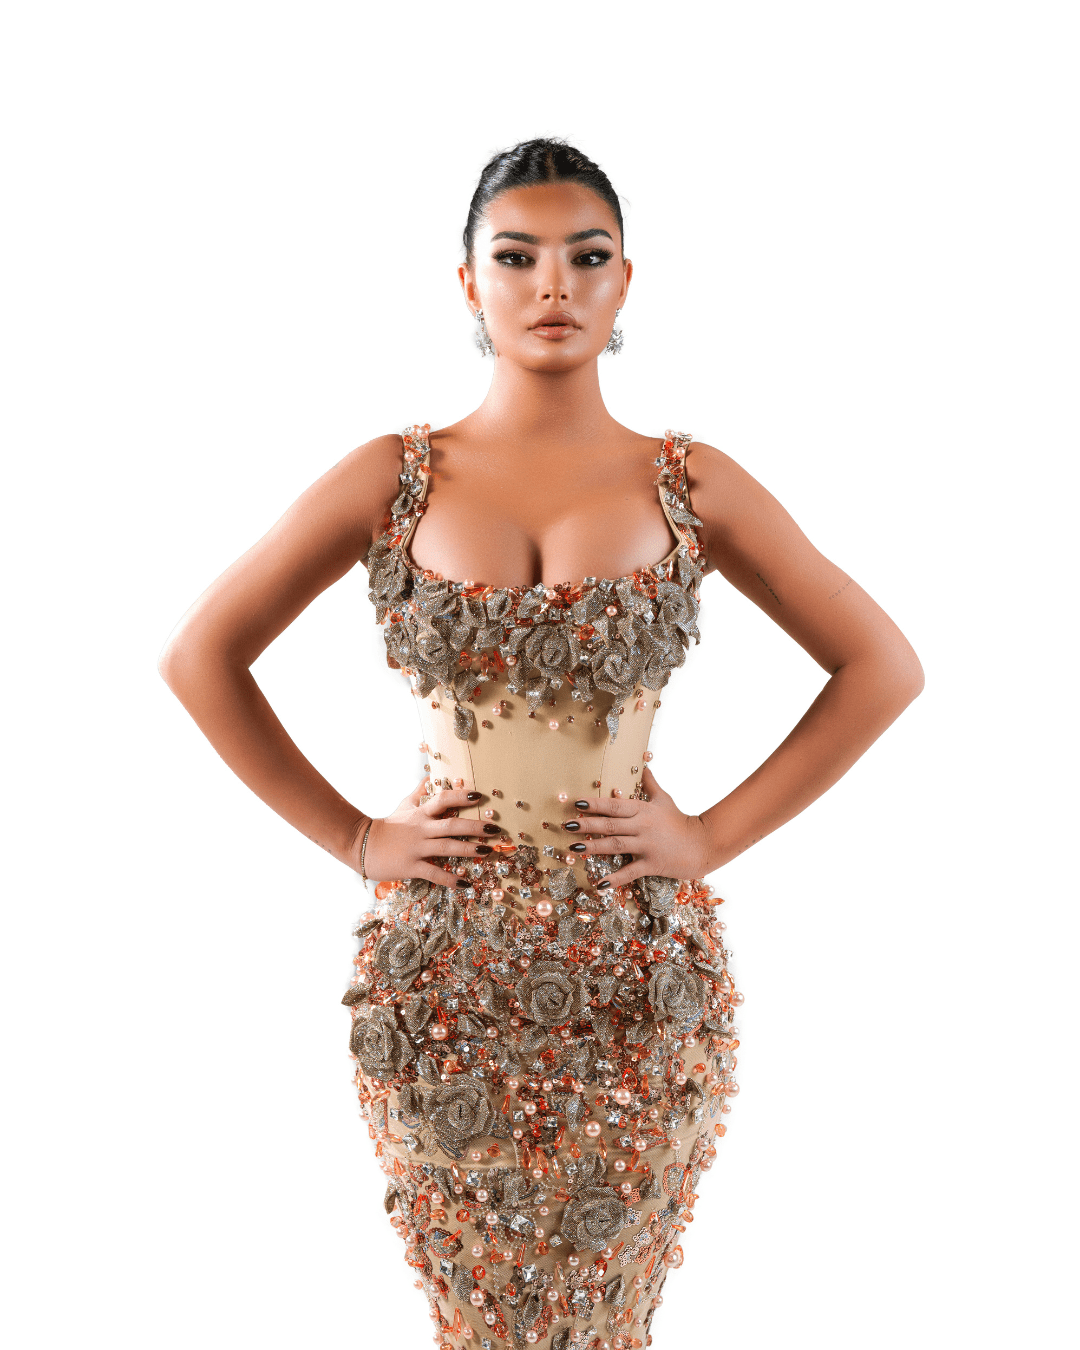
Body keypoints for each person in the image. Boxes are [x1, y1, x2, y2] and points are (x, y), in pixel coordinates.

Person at [159, 138, 923, 1350]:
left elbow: (883, 666)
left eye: (586, 255)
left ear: (627, 281)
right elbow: (201, 657)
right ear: (469, 284)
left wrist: (710, 836)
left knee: (605, 1316)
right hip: (440, 982)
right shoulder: (395, 477)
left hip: (639, 979)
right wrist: (356, 838)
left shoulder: (689, 482)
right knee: (482, 1316)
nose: (553, 283)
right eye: (516, 258)